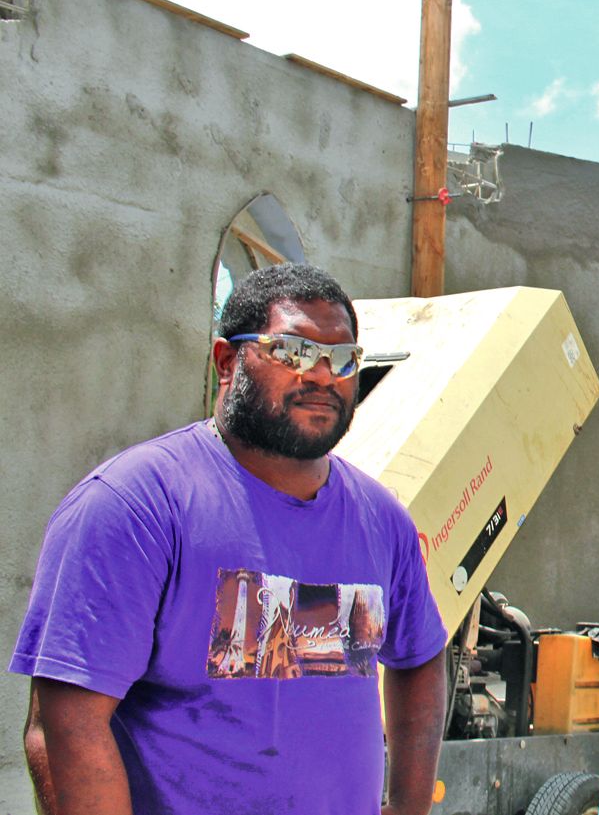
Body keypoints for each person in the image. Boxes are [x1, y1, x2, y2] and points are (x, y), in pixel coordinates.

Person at [11, 264, 448, 815]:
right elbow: (64, 727)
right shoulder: (134, 506)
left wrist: (407, 807)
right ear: (226, 361)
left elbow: (420, 658)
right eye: (291, 350)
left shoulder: (381, 520)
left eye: (342, 359)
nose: (321, 375)